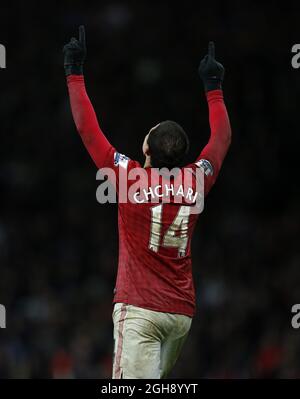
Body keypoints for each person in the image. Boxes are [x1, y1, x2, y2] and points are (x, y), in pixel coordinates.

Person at [63, 26, 231, 379]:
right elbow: (221, 138)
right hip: (180, 314)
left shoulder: (130, 179)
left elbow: (86, 129)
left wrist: (74, 72)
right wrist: (214, 89)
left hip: (141, 310)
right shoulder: (196, 179)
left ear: (146, 150)